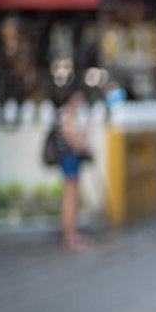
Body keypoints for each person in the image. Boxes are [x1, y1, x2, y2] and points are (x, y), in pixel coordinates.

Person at [55, 89, 92, 251]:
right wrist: (85, 144)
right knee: (71, 198)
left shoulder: (71, 117)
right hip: (70, 161)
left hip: (71, 161)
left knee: (73, 197)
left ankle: (71, 233)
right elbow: (75, 144)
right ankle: (70, 235)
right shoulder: (68, 117)